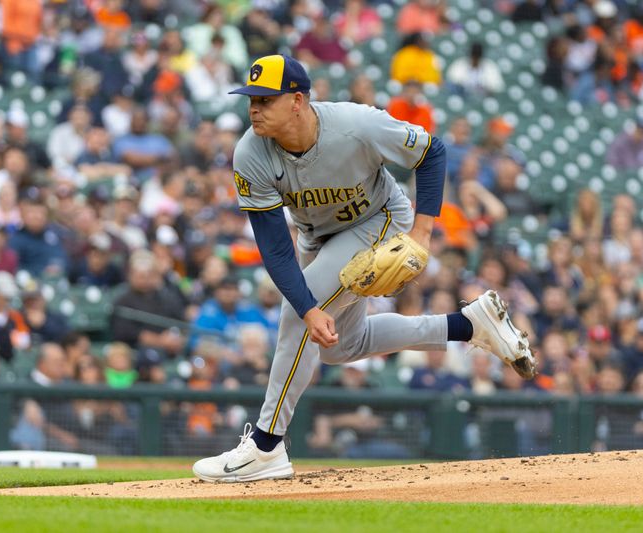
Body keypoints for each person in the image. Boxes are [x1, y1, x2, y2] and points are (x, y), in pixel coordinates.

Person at [191, 55, 535, 483]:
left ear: (297, 101)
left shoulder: (357, 124)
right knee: (338, 346)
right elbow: (275, 246)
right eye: (251, 99)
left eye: (266, 99)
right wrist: (309, 308)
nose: (254, 108)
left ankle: (266, 446)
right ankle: (466, 326)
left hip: (379, 220)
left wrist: (424, 236)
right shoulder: (250, 153)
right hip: (316, 239)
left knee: (298, 318)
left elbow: (432, 152)